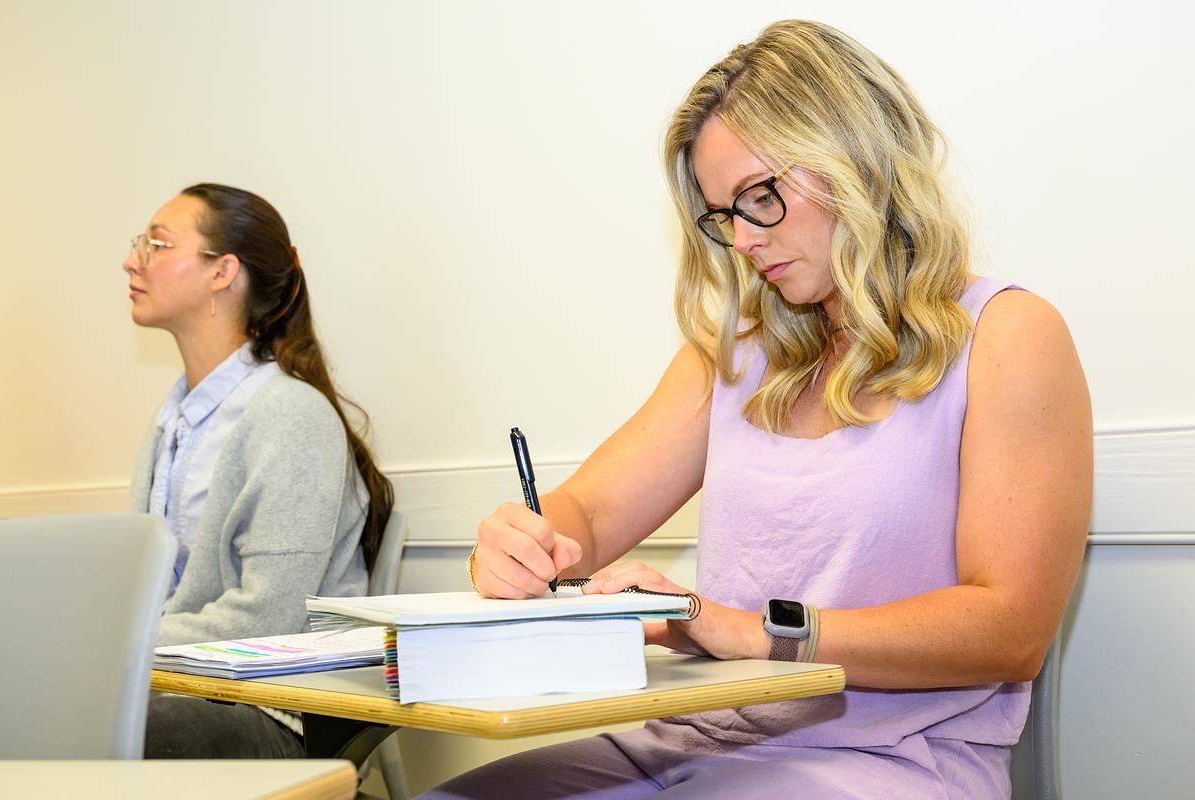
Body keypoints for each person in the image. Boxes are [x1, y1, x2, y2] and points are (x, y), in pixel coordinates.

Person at [427, 20, 1092, 800]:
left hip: (885, 765)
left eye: (760, 198)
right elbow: (590, 515)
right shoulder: (733, 356)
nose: (741, 240)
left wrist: (750, 628)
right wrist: (521, 549)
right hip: (681, 745)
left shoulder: (1007, 335)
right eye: (723, 215)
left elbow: (1010, 631)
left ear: (857, 161)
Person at [123, 183, 393, 757]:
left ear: (223, 272)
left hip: (277, 708)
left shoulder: (291, 415)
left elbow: (266, 616)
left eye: (157, 244)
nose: (132, 259)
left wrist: (108, 644)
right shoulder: (172, 421)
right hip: (184, 687)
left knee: (92, 730)